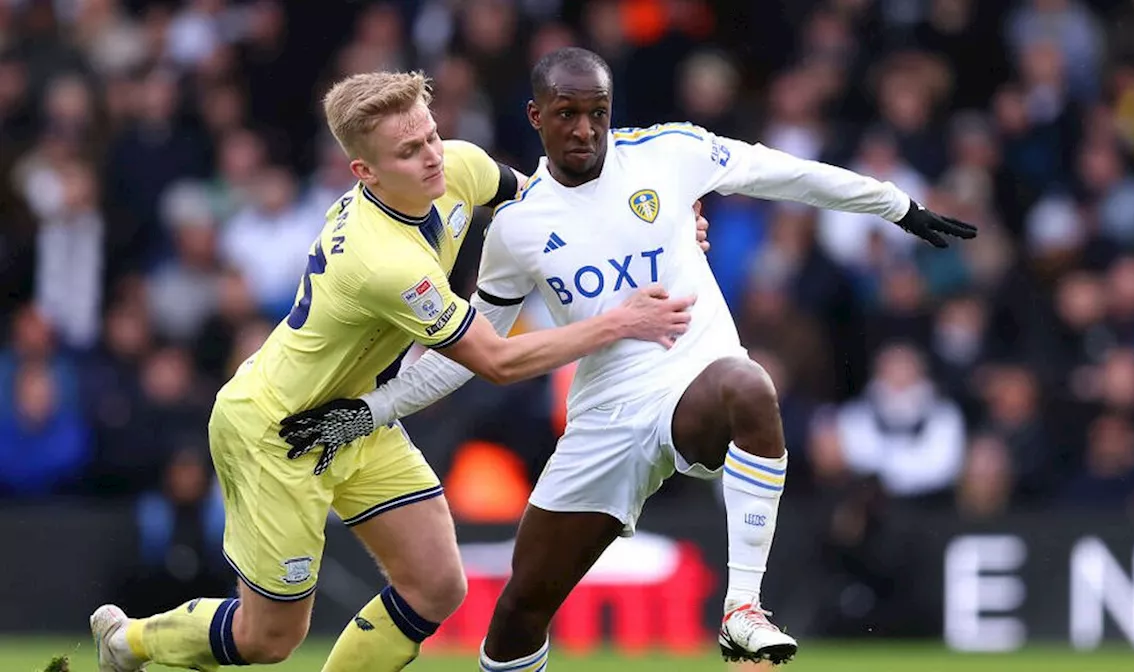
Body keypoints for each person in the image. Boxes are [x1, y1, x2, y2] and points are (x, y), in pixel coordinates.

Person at [280, 48, 976, 669]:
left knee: (749, 386)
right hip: (604, 421)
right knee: (520, 613)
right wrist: (366, 413)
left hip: (691, 383)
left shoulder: (669, 154)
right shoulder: (518, 228)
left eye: (598, 113)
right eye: (567, 114)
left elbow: (781, 172)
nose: (585, 129)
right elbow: (473, 353)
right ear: (536, 117)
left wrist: (895, 205)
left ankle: (742, 609)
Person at [89, 70, 700, 672]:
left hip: (355, 418)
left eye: (431, 135)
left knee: (436, 586)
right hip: (277, 431)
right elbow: (496, 360)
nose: (433, 157)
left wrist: (659, 225)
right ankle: (130, 643)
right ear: (365, 172)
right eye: (409, 151)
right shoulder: (383, 262)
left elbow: (559, 197)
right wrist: (620, 321)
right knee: (268, 639)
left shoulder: (458, 164)